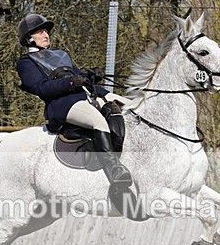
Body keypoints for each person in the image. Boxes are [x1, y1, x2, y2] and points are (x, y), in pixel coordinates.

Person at [15, 13, 132, 190]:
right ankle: (113, 168)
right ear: (28, 39)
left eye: (46, 31)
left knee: (127, 104)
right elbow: (41, 88)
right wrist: (71, 82)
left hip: (83, 96)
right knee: (98, 121)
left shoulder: (60, 55)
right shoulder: (25, 63)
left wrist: (92, 77)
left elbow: (81, 78)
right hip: (62, 105)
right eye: (40, 32)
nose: (46, 35)